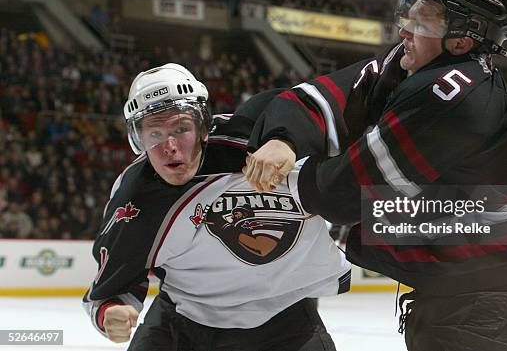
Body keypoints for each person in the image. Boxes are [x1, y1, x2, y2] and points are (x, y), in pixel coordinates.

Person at [245, 0, 507, 351]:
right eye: (411, 11)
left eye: (424, 21)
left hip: (492, 315)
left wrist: (285, 178)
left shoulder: (455, 95)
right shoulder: (412, 65)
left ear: (462, 41)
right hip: (466, 301)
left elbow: (344, 195)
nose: (405, 27)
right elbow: (325, 95)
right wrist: (282, 140)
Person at [82, 63, 351, 351]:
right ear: (138, 140)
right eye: (155, 134)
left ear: (203, 127)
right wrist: (110, 312)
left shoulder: (259, 139)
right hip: (182, 323)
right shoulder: (134, 200)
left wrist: (288, 141)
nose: (169, 146)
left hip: (286, 319)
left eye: (181, 128)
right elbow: (111, 288)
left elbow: (339, 114)